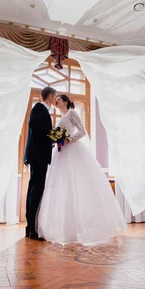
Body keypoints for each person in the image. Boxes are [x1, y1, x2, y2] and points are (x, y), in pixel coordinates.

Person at [37, 94, 127, 244]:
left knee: (77, 186)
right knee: (62, 188)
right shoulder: (61, 116)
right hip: (61, 153)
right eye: (56, 99)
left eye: (58, 99)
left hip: (73, 151)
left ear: (65, 101)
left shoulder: (72, 113)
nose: (56, 101)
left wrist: (68, 139)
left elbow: (82, 131)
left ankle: (85, 227)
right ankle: (66, 229)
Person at [24, 86, 57, 241]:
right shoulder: (39, 108)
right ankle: (31, 229)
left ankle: (30, 228)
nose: (55, 100)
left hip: (39, 155)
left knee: (34, 189)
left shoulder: (42, 110)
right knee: (36, 190)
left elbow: (38, 130)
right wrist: (52, 137)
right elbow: (34, 127)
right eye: (54, 97)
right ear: (50, 96)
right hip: (38, 156)